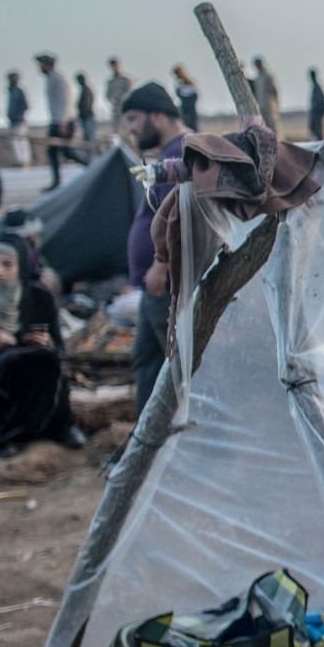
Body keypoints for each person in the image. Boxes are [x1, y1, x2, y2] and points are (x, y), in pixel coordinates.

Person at [0, 234, 81, 458]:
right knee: (3, 367)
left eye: (7, 265)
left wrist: (46, 342)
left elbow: (59, 349)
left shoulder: (40, 298)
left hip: (36, 368)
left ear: (21, 266)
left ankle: (61, 427)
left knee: (49, 364)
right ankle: (1, 434)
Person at [122, 82, 190, 417]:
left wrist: (161, 264)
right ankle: (144, 446)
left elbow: (182, 214)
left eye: (134, 118)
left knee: (176, 363)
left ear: (159, 116)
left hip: (166, 283)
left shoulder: (182, 153)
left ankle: (178, 442)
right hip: (154, 284)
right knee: (147, 361)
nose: (131, 128)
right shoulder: (168, 154)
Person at [35, 52, 85, 192]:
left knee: (68, 152)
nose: (40, 68)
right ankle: (56, 181)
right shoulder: (51, 79)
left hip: (62, 122)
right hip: (56, 121)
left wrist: (63, 122)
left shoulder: (59, 78)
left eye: (42, 65)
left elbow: (65, 101)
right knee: (53, 152)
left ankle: (91, 166)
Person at [6, 71, 30, 167]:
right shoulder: (11, 92)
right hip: (13, 121)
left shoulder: (19, 92)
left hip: (19, 121)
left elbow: (25, 105)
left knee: (22, 141)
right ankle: (19, 160)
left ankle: (24, 161)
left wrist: (20, 115)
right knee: (15, 142)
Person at [105, 57, 133, 135]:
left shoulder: (125, 80)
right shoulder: (110, 82)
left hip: (125, 109)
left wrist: (121, 99)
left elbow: (129, 93)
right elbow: (108, 95)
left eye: (116, 65)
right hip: (115, 109)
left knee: (128, 130)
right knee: (115, 132)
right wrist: (112, 100)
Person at [252, 57, 281, 133]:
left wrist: (276, 103)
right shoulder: (257, 78)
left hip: (269, 105)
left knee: (272, 126)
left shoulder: (268, 76)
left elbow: (274, 91)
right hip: (261, 106)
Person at [172, 64, 199, 132]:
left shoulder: (188, 82)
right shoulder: (179, 84)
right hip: (185, 106)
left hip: (189, 106)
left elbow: (195, 94)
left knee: (191, 123)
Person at [75, 72, 97, 146]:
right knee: (87, 139)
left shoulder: (86, 90)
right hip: (85, 118)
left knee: (90, 139)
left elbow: (86, 104)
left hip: (88, 117)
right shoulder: (84, 90)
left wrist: (82, 114)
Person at [307, 67, 324, 141]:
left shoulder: (317, 87)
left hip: (317, 113)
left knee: (318, 131)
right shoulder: (316, 87)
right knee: (315, 131)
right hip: (316, 113)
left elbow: (319, 102)